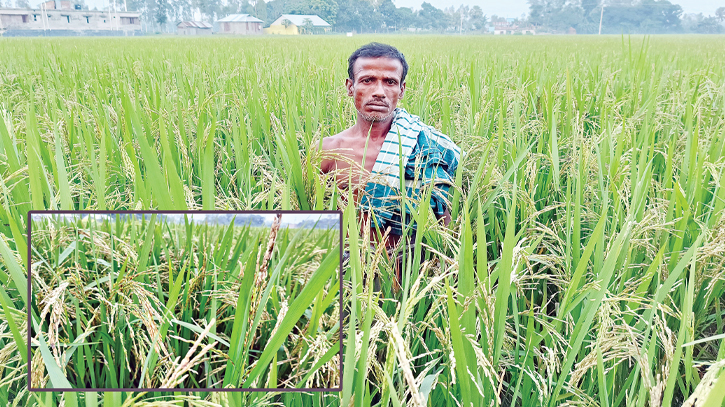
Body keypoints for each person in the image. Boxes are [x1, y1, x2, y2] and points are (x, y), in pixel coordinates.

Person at [320, 42, 462, 283]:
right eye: (367, 80)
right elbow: (312, 216)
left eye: (389, 82)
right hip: (345, 276)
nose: (379, 91)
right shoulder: (329, 151)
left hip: (409, 278)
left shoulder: (428, 148)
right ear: (350, 86)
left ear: (402, 89)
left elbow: (444, 228)